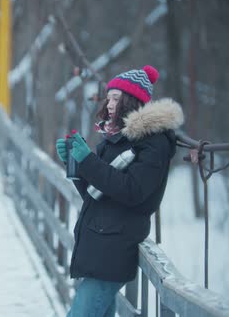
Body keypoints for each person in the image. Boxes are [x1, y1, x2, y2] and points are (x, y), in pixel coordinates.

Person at [55, 65, 184, 316]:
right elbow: (96, 194)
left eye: (116, 97)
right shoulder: (115, 139)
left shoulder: (154, 142)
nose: (110, 103)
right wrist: (75, 165)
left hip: (113, 251)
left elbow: (133, 192)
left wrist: (88, 161)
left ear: (132, 100)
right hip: (98, 246)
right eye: (109, 96)